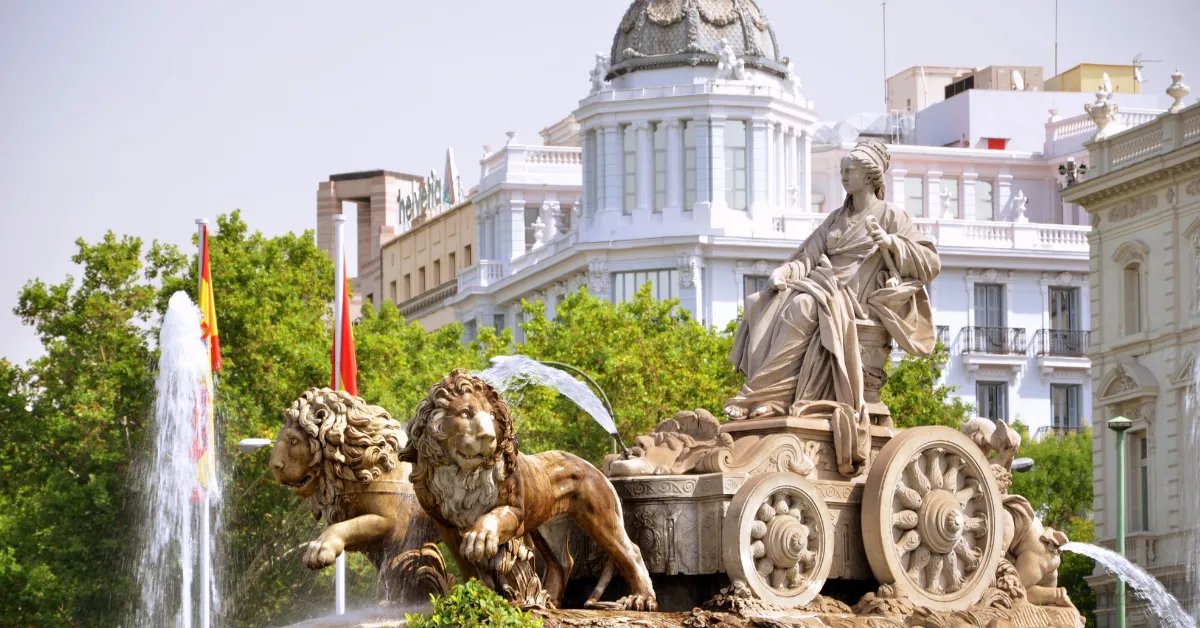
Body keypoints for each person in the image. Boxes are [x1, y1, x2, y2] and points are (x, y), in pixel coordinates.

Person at [726, 140, 940, 439]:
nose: (843, 176)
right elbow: (807, 258)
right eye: (842, 170)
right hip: (823, 284)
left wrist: (890, 242)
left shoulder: (891, 215)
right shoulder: (835, 218)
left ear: (869, 175)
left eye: (849, 170)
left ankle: (764, 395)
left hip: (857, 297)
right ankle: (769, 397)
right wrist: (783, 272)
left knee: (802, 305)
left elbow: (930, 260)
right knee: (761, 301)